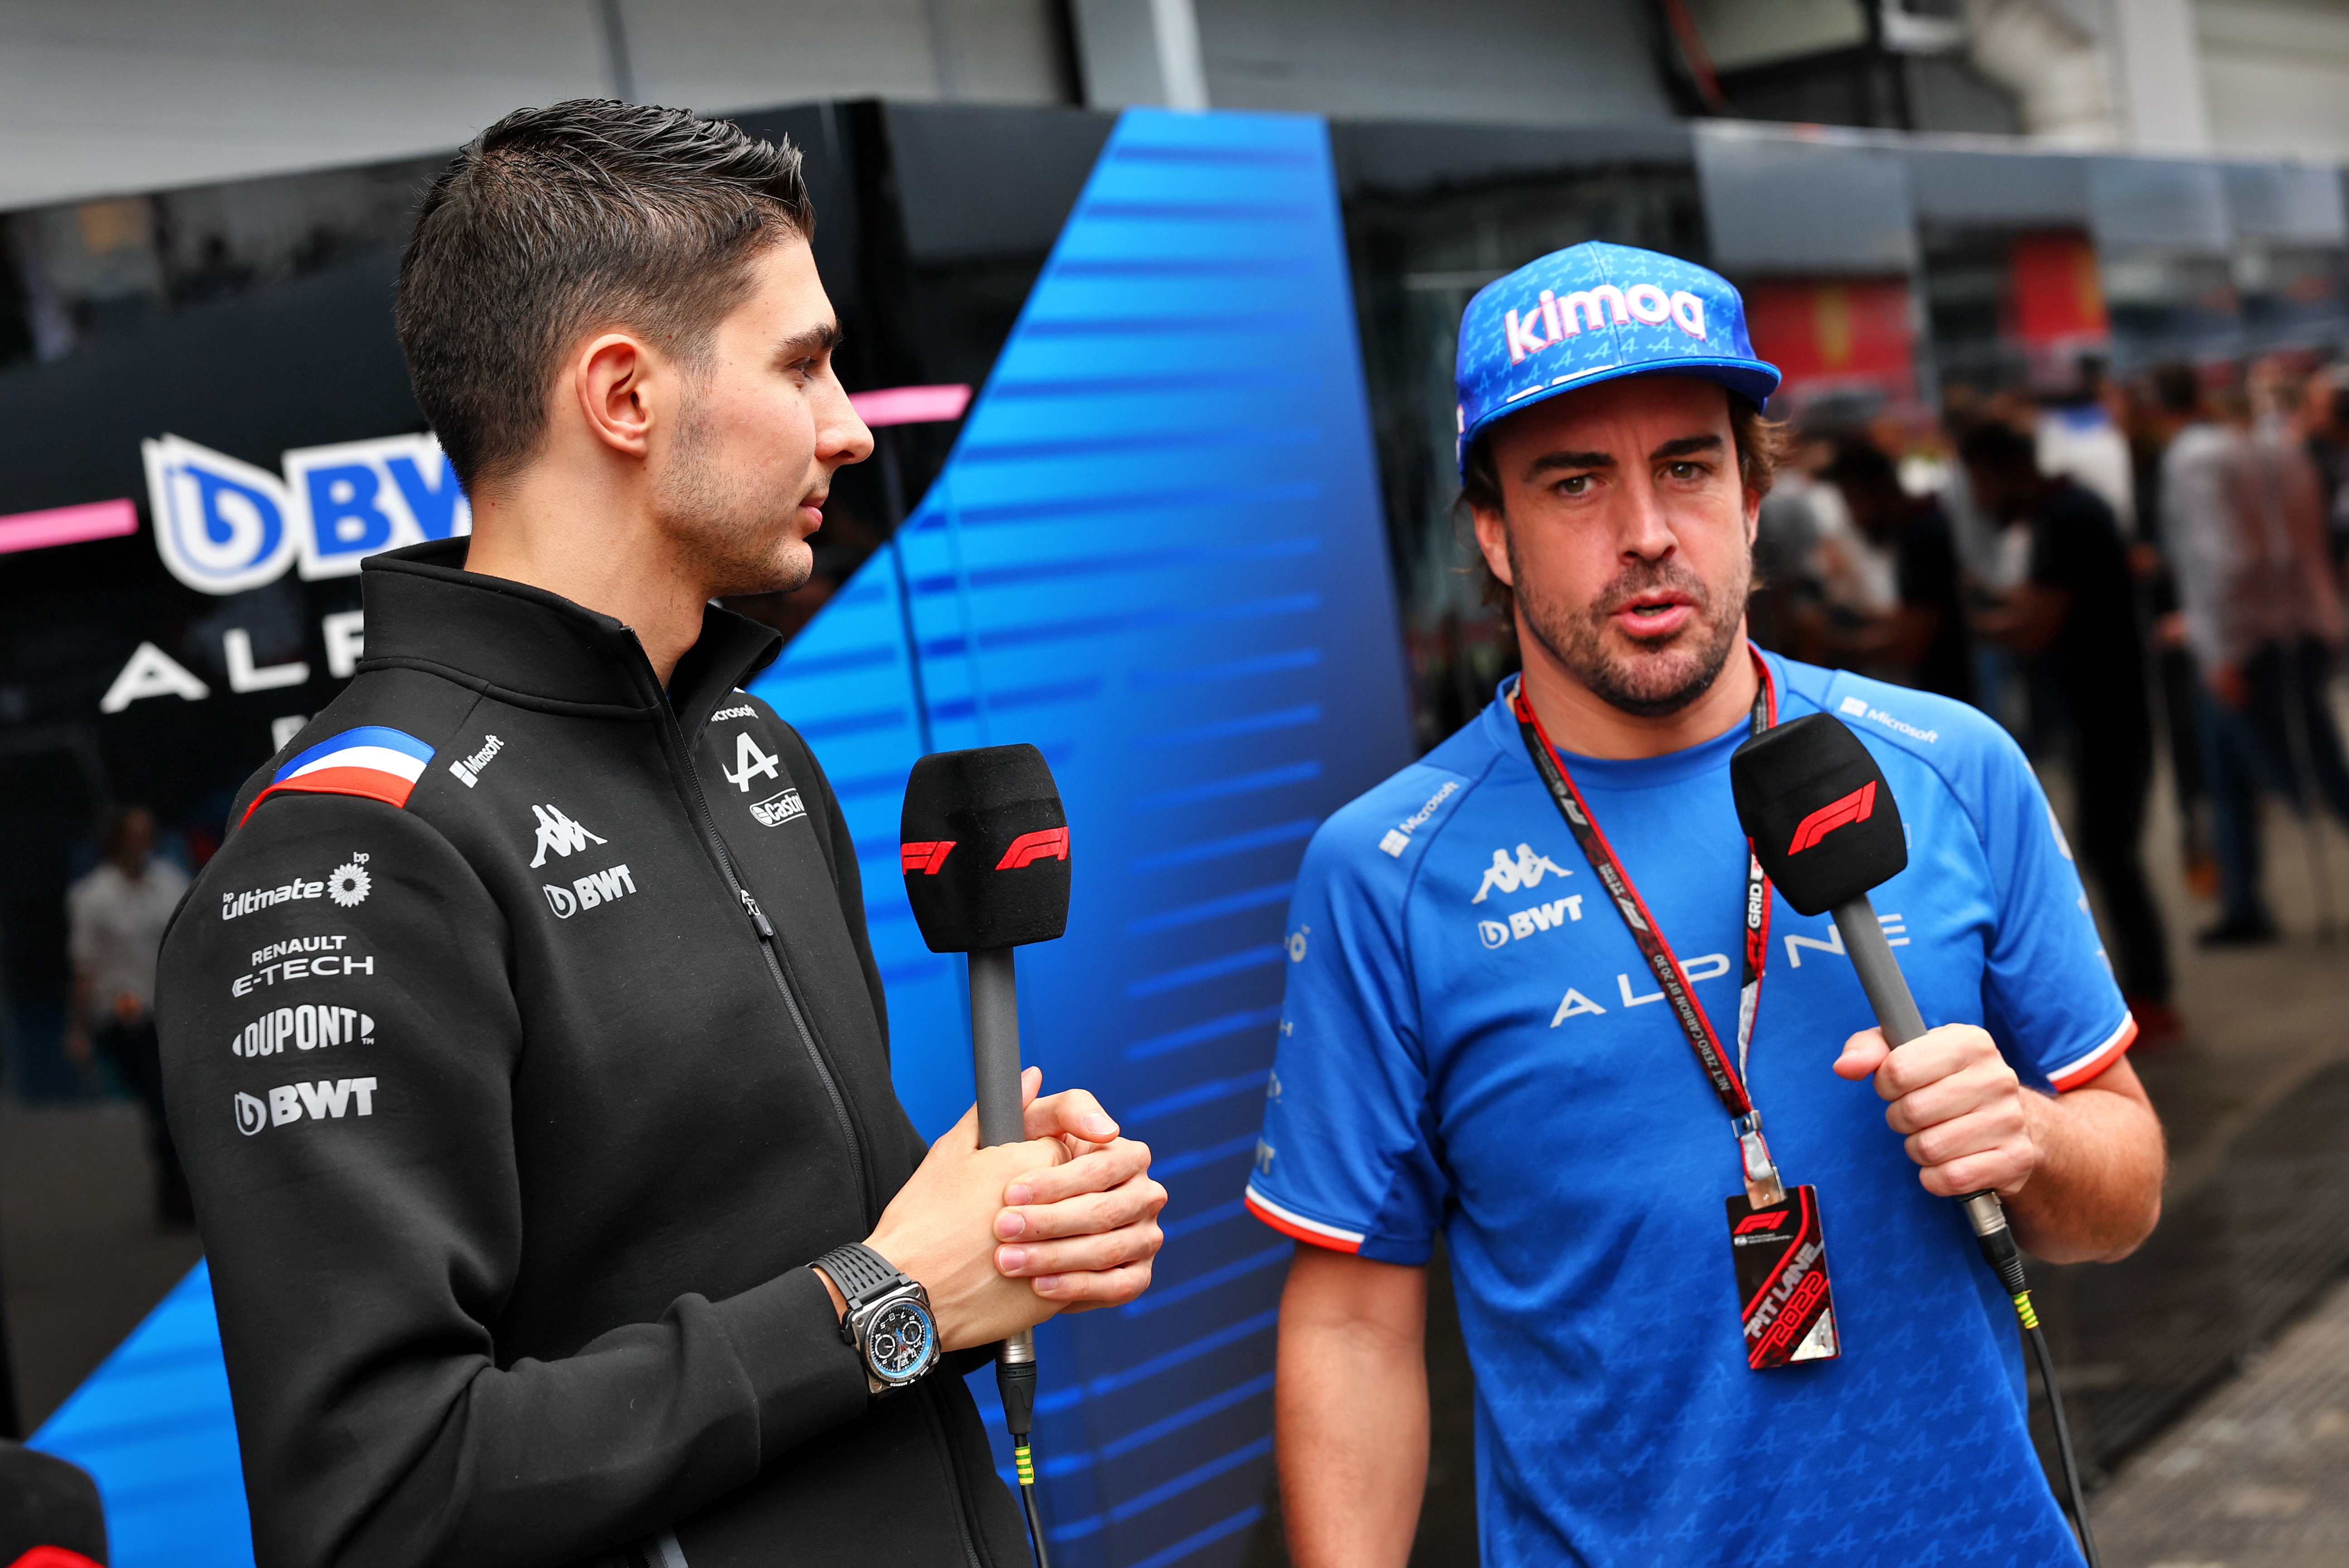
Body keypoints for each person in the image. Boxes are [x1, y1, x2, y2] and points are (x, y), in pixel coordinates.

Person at [155, 101, 1165, 1568]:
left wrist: (994, 1228)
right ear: (624, 396)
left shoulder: (754, 749)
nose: (848, 422)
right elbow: (378, 1504)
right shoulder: (351, 857)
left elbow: (808, 1273)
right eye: (804, 363)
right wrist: (893, 1299)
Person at [1246, 241, 2164, 1566]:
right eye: (1574, 482)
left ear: (1751, 487)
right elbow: (1350, 1322)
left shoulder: (1950, 768)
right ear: (1492, 533)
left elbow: (2124, 1191)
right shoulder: (1384, 869)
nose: (1646, 532)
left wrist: (2023, 1134)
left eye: (1687, 464)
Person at [1960, 420, 2175, 1033]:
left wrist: (1965, 622)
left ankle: (2150, 994)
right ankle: (2147, 989)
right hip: (2099, 706)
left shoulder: (2066, 517)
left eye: (1978, 482)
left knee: (2111, 851)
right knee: (2108, 850)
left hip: (2109, 707)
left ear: (2002, 471)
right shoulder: (2066, 511)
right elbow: (2033, 606)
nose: (1977, 500)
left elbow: (2036, 623)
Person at [2164, 376, 2349, 944]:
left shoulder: (2202, 461)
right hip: (2288, 629)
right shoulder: (2281, 457)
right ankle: (2243, 903)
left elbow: (2231, 559)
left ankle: (2244, 903)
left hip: (2250, 641)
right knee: (2237, 777)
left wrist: (2223, 648)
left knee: (2301, 771)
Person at [66, 805, 192, 1226]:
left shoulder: (169, 881)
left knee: (180, 1105)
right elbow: (85, 968)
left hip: (173, 1010)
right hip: (127, 1017)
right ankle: (174, 1199)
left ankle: (180, 1198)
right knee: (161, 1104)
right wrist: (79, 1029)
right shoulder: (93, 896)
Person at [1818, 437, 1974, 702]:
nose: (1851, 515)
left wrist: (1829, 642)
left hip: (1946, 698)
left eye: (1852, 500)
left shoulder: (1924, 537)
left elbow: (1908, 646)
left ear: (1878, 491)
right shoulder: (1912, 534)